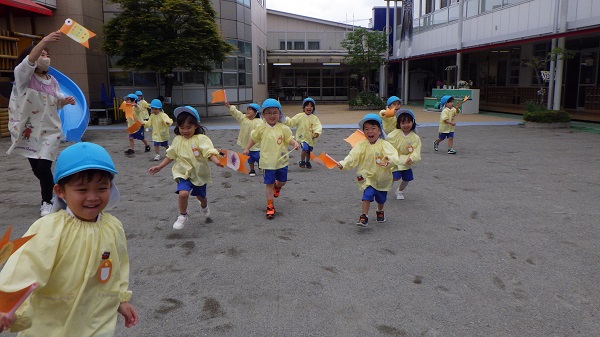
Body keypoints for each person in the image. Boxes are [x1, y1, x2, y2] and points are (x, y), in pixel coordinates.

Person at [0, 142, 138, 336]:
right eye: (82, 190)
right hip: (52, 324)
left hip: (97, 322)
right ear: (60, 191)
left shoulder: (113, 227)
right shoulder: (49, 228)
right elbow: (24, 267)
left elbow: (119, 267)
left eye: (102, 188)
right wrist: (7, 305)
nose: (93, 197)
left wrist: (121, 299)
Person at [6, 31, 76, 217]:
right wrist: (44, 40)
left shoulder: (52, 81)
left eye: (47, 55)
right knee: (37, 170)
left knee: (44, 167)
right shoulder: (24, 77)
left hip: (50, 131)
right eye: (41, 55)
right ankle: (59, 190)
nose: (45, 58)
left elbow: (56, 98)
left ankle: (47, 201)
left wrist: (65, 100)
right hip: (28, 130)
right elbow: (28, 62)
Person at [149, 106, 222, 230]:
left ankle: (204, 206)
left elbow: (209, 152)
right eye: (182, 127)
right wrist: (160, 166)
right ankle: (183, 215)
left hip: (198, 173)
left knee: (201, 197)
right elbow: (171, 155)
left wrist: (216, 161)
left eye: (189, 127)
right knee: (183, 194)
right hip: (182, 172)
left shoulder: (201, 139)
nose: (185, 131)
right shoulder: (177, 140)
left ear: (196, 126)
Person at [336, 113, 399, 227]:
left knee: (381, 198)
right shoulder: (361, 145)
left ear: (379, 131)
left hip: (382, 178)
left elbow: (393, 155)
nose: (370, 131)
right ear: (363, 132)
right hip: (367, 177)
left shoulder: (384, 145)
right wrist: (343, 164)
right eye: (366, 129)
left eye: (373, 128)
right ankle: (364, 216)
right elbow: (352, 157)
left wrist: (390, 160)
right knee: (367, 195)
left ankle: (380, 210)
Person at [243, 99, 299, 219]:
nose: (272, 115)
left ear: (280, 114)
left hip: (281, 161)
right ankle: (270, 206)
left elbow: (289, 139)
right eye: (269, 113)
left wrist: (295, 143)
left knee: (283, 181)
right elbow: (254, 138)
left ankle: (277, 186)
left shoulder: (283, 128)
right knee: (268, 184)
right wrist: (247, 148)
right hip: (267, 162)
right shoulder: (261, 128)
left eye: (275, 112)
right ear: (263, 115)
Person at [387, 109, 422, 200]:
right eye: (403, 123)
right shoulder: (394, 134)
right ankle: (385, 187)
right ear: (399, 124)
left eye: (408, 122)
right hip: (396, 161)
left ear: (412, 122)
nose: (406, 125)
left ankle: (400, 190)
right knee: (395, 177)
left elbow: (416, 151)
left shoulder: (415, 137)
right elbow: (388, 145)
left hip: (407, 162)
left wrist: (412, 158)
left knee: (407, 178)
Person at [224, 101, 263, 176]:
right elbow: (236, 113)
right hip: (247, 144)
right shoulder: (243, 119)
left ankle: (260, 165)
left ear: (256, 112)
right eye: (247, 109)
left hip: (257, 144)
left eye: (250, 109)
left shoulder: (260, 122)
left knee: (258, 157)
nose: (247, 111)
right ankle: (252, 170)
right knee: (249, 158)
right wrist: (229, 106)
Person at [284, 97, 322, 169]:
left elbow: (318, 126)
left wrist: (316, 133)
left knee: (308, 151)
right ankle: (302, 160)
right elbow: (292, 122)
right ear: (304, 107)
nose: (309, 107)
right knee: (305, 148)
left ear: (313, 108)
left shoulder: (314, 118)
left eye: (311, 106)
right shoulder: (299, 116)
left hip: (310, 138)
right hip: (302, 137)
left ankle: (307, 161)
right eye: (307, 106)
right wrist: (285, 120)